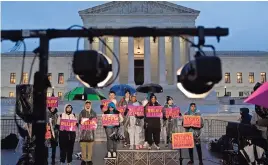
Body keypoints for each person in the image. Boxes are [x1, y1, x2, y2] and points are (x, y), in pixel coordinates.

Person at [78, 100, 97, 165]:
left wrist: (93, 119)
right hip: (83, 133)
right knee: (83, 147)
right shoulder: (82, 112)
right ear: (85, 105)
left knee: (90, 148)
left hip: (91, 133)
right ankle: (83, 159)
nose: (88, 105)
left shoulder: (93, 112)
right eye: (87, 104)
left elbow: (95, 122)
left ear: (90, 105)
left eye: (89, 104)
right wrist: (82, 120)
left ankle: (89, 159)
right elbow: (79, 121)